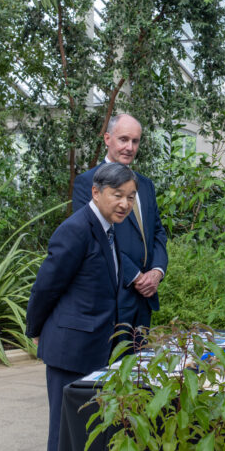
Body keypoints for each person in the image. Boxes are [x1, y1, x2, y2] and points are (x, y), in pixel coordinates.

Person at [26, 163, 138, 451]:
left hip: (98, 350)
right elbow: (46, 288)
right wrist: (36, 330)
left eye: (130, 197)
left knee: (90, 434)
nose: (124, 204)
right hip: (70, 352)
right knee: (64, 438)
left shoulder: (108, 229)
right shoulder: (76, 229)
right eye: (118, 195)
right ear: (96, 192)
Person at [72, 114, 168, 332]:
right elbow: (94, 238)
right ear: (107, 139)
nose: (129, 147)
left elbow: (158, 233)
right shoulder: (88, 183)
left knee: (142, 365)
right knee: (112, 366)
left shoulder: (145, 184)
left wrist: (157, 272)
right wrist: (135, 276)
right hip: (112, 297)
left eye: (135, 141)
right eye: (123, 139)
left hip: (145, 298)